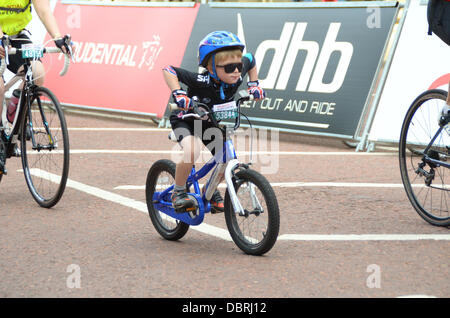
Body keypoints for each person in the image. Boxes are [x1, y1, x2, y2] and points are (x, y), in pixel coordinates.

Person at [162, 30, 265, 213]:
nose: (235, 71)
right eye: (228, 67)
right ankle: (178, 192)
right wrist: (179, 93)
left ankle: (209, 190)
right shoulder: (201, 79)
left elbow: (251, 59)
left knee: (226, 157)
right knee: (192, 150)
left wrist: (253, 84)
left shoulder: (238, 73)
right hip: (186, 119)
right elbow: (169, 70)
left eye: (238, 66)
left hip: (209, 121)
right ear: (211, 69)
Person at [0, 0, 73, 156]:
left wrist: (58, 37)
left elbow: (44, 10)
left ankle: (15, 115)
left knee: (37, 73)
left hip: (16, 35)